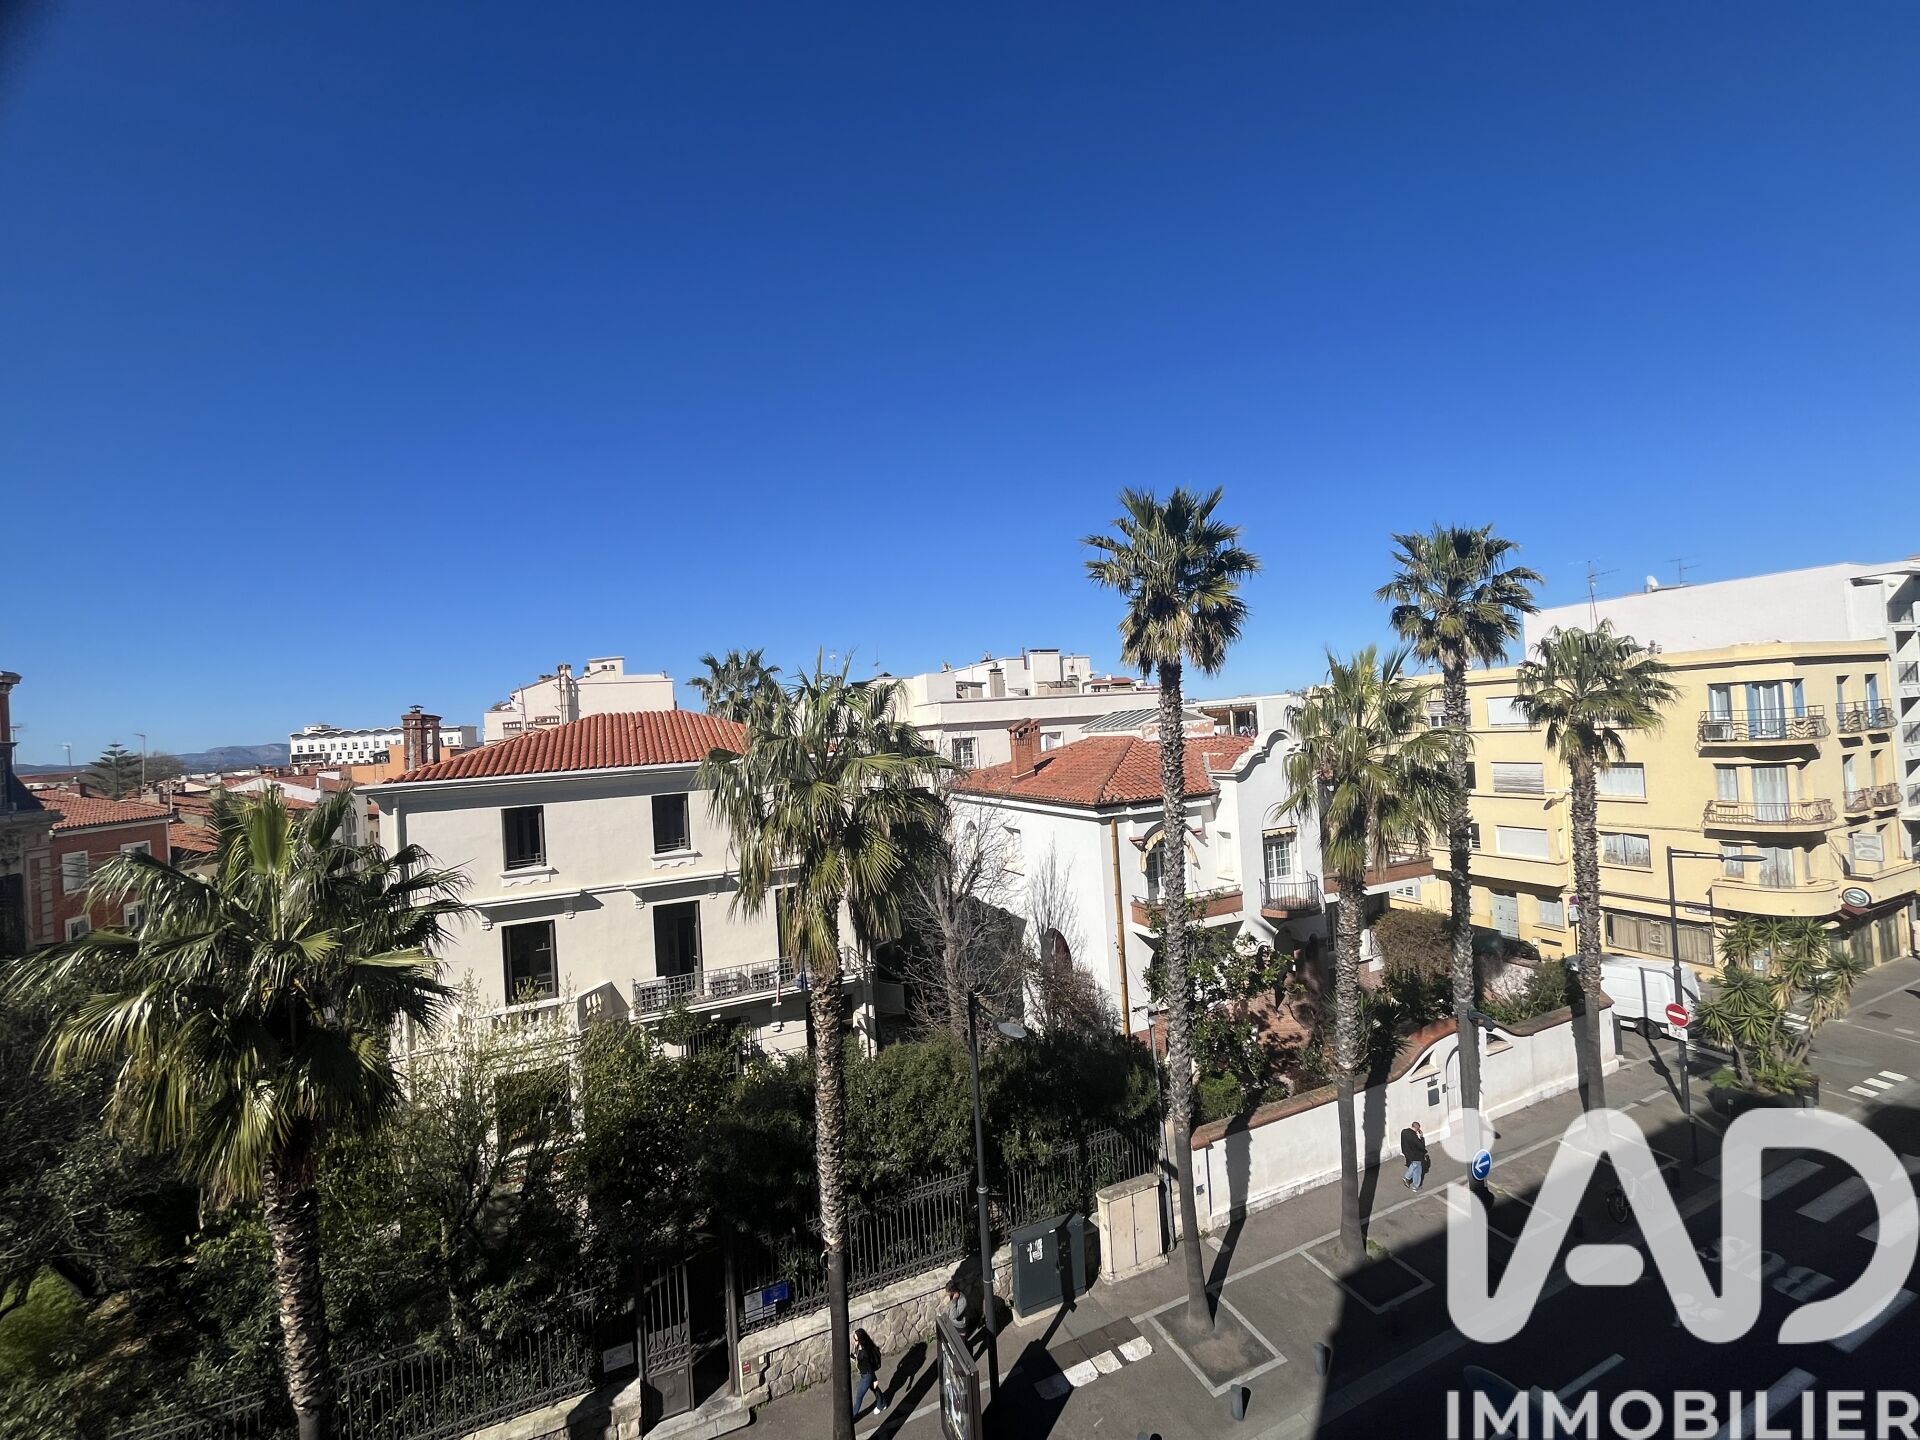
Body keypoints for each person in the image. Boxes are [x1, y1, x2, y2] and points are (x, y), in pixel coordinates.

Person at [851, 1327, 886, 1420]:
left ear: (860, 1340)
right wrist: (853, 1356)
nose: (854, 1341)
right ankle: (882, 1403)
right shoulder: (859, 1347)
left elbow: (870, 1368)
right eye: (854, 1338)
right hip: (864, 1374)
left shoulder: (865, 1353)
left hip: (867, 1376)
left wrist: (875, 1380)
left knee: (859, 1396)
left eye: (855, 1339)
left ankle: (852, 1416)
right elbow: (858, 1359)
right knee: (875, 1389)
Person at [1402, 1120, 1429, 1191]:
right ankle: (1409, 1179)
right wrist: (1421, 1137)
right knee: (1417, 1169)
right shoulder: (1414, 1137)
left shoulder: (1404, 1132)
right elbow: (1421, 1146)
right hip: (1416, 1155)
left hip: (1407, 1153)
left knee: (1416, 1167)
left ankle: (1414, 1185)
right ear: (1417, 1128)